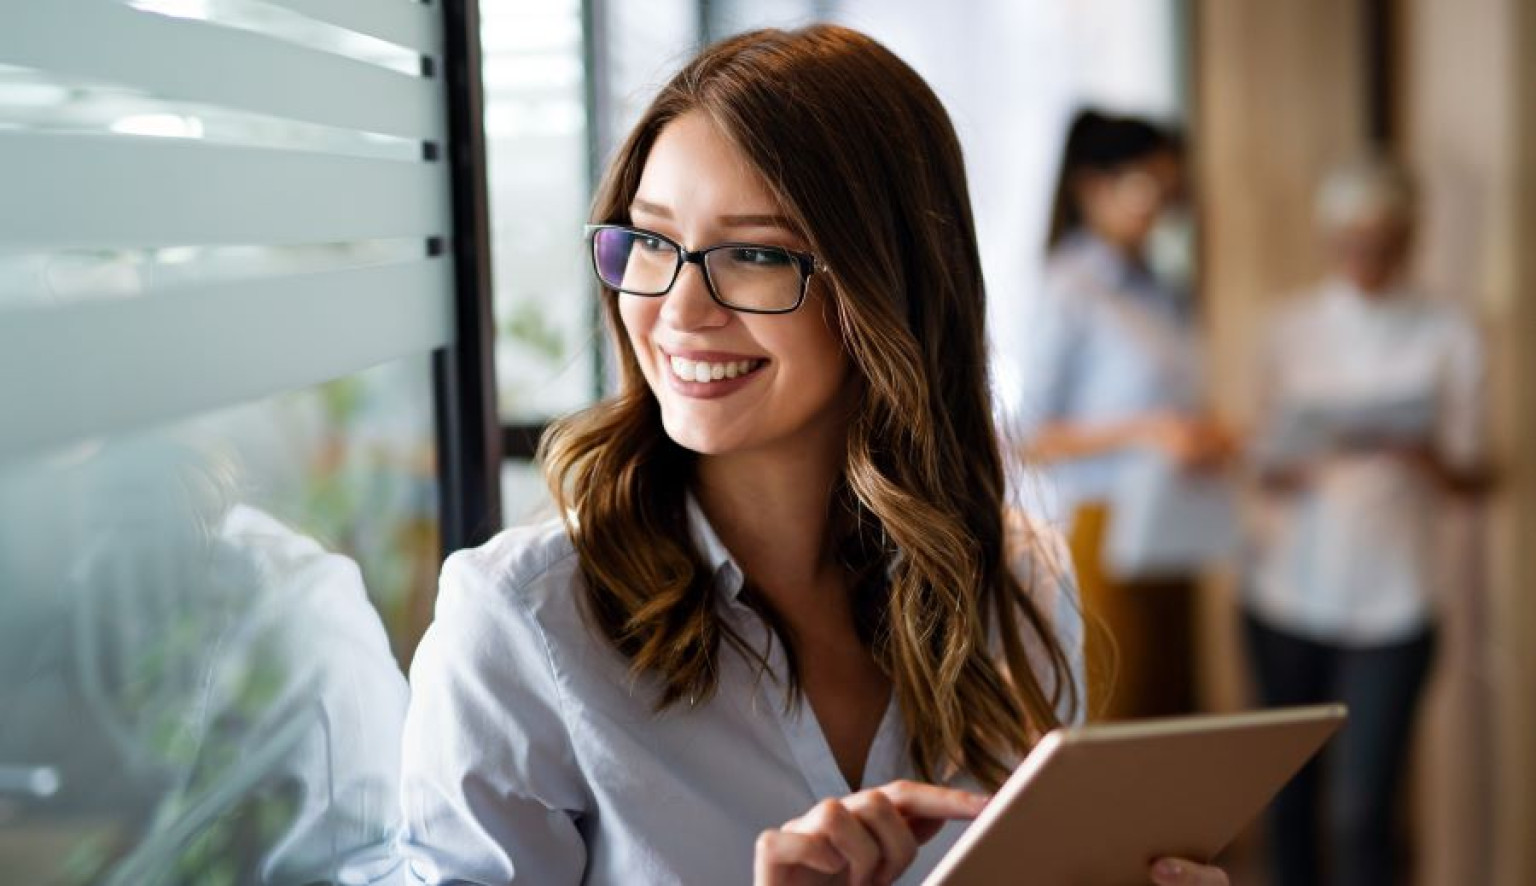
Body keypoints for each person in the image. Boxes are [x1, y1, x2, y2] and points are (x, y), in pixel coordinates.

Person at [398, 26, 1228, 886]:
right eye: (649, 242)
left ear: (887, 286)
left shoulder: (1014, 588)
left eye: (754, 253)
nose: (678, 311)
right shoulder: (522, 625)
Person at [1242, 157, 1490, 886]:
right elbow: (1256, 458)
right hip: (1287, 591)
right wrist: (1290, 454)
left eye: (1383, 240)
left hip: (1398, 597)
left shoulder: (1449, 332)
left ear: (1410, 239)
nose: (1366, 256)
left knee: (1362, 811)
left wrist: (1423, 452)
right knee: (1286, 801)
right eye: (1351, 239)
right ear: (1329, 240)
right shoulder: (1288, 328)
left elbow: (1476, 473)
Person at [1015, 110, 1230, 720]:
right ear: (1091, 187)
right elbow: (1031, 437)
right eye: (1145, 187)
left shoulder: (1159, 289)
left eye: (1169, 190)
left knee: (1172, 712)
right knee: (1116, 715)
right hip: (1102, 527)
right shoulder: (1071, 287)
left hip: (1174, 520)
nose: (1158, 207)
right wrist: (1150, 432)